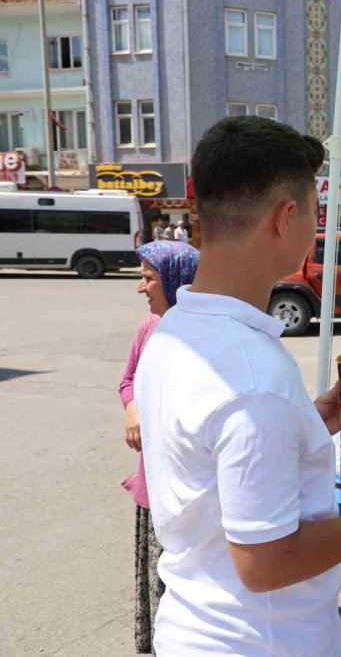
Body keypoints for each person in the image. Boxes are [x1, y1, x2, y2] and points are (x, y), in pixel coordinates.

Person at [134, 116, 341, 656]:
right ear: (287, 217)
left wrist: (304, 425)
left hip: (192, 626)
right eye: (317, 213)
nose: (317, 229)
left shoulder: (177, 330)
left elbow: (209, 462)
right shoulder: (254, 379)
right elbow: (265, 561)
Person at [119, 241, 199, 654]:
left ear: (176, 280)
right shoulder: (148, 327)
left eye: (149, 278)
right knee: (156, 574)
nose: (141, 288)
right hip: (152, 480)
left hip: (185, 489)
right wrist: (131, 409)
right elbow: (127, 379)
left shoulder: (200, 335)